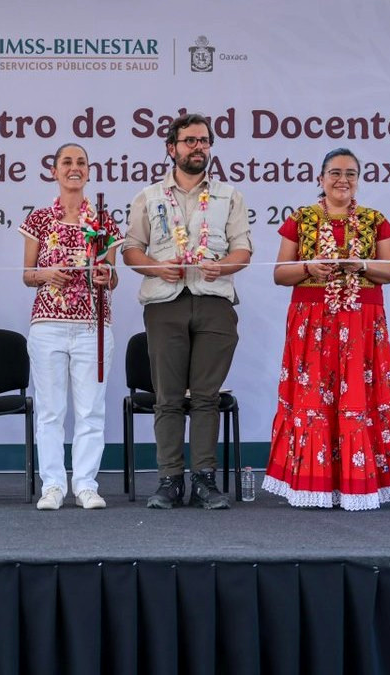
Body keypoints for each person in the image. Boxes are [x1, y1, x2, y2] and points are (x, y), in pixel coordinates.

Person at [262, 148, 390, 510]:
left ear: (358, 180)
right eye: (335, 173)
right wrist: (308, 268)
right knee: (313, 398)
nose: (342, 180)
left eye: (350, 173)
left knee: (360, 398)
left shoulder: (374, 219)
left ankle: (361, 484)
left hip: (362, 323)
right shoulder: (300, 219)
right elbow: (279, 273)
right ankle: (313, 484)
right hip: (312, 321)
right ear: (320, 179)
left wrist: (360, 265)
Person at [122, 112, 253, 510]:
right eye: (190, 141)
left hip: (214, 301)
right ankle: (169, 481)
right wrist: (155, 266)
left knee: (206, 397)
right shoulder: (148, 196)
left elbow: (243, 250)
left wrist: (224, 266)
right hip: (165, 302)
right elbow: (131, 250)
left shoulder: (229, 195)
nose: (199, 147)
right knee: (168, 397)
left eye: (204, 141)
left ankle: (205, 481)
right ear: (171, 149)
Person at [20, 143, 121, 510]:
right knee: (50, 410)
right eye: (67, 162)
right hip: (48, 324)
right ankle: (52, 486)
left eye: (81, 162)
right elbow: (28, 274)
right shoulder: (40, 219)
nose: (74, 168)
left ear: (89, 171)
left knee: (91, 409)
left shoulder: (103, 220)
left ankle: (86, 484)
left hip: (92, 326)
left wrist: (104, 274)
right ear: (55, 171)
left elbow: (113, 278)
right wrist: (46, 274)